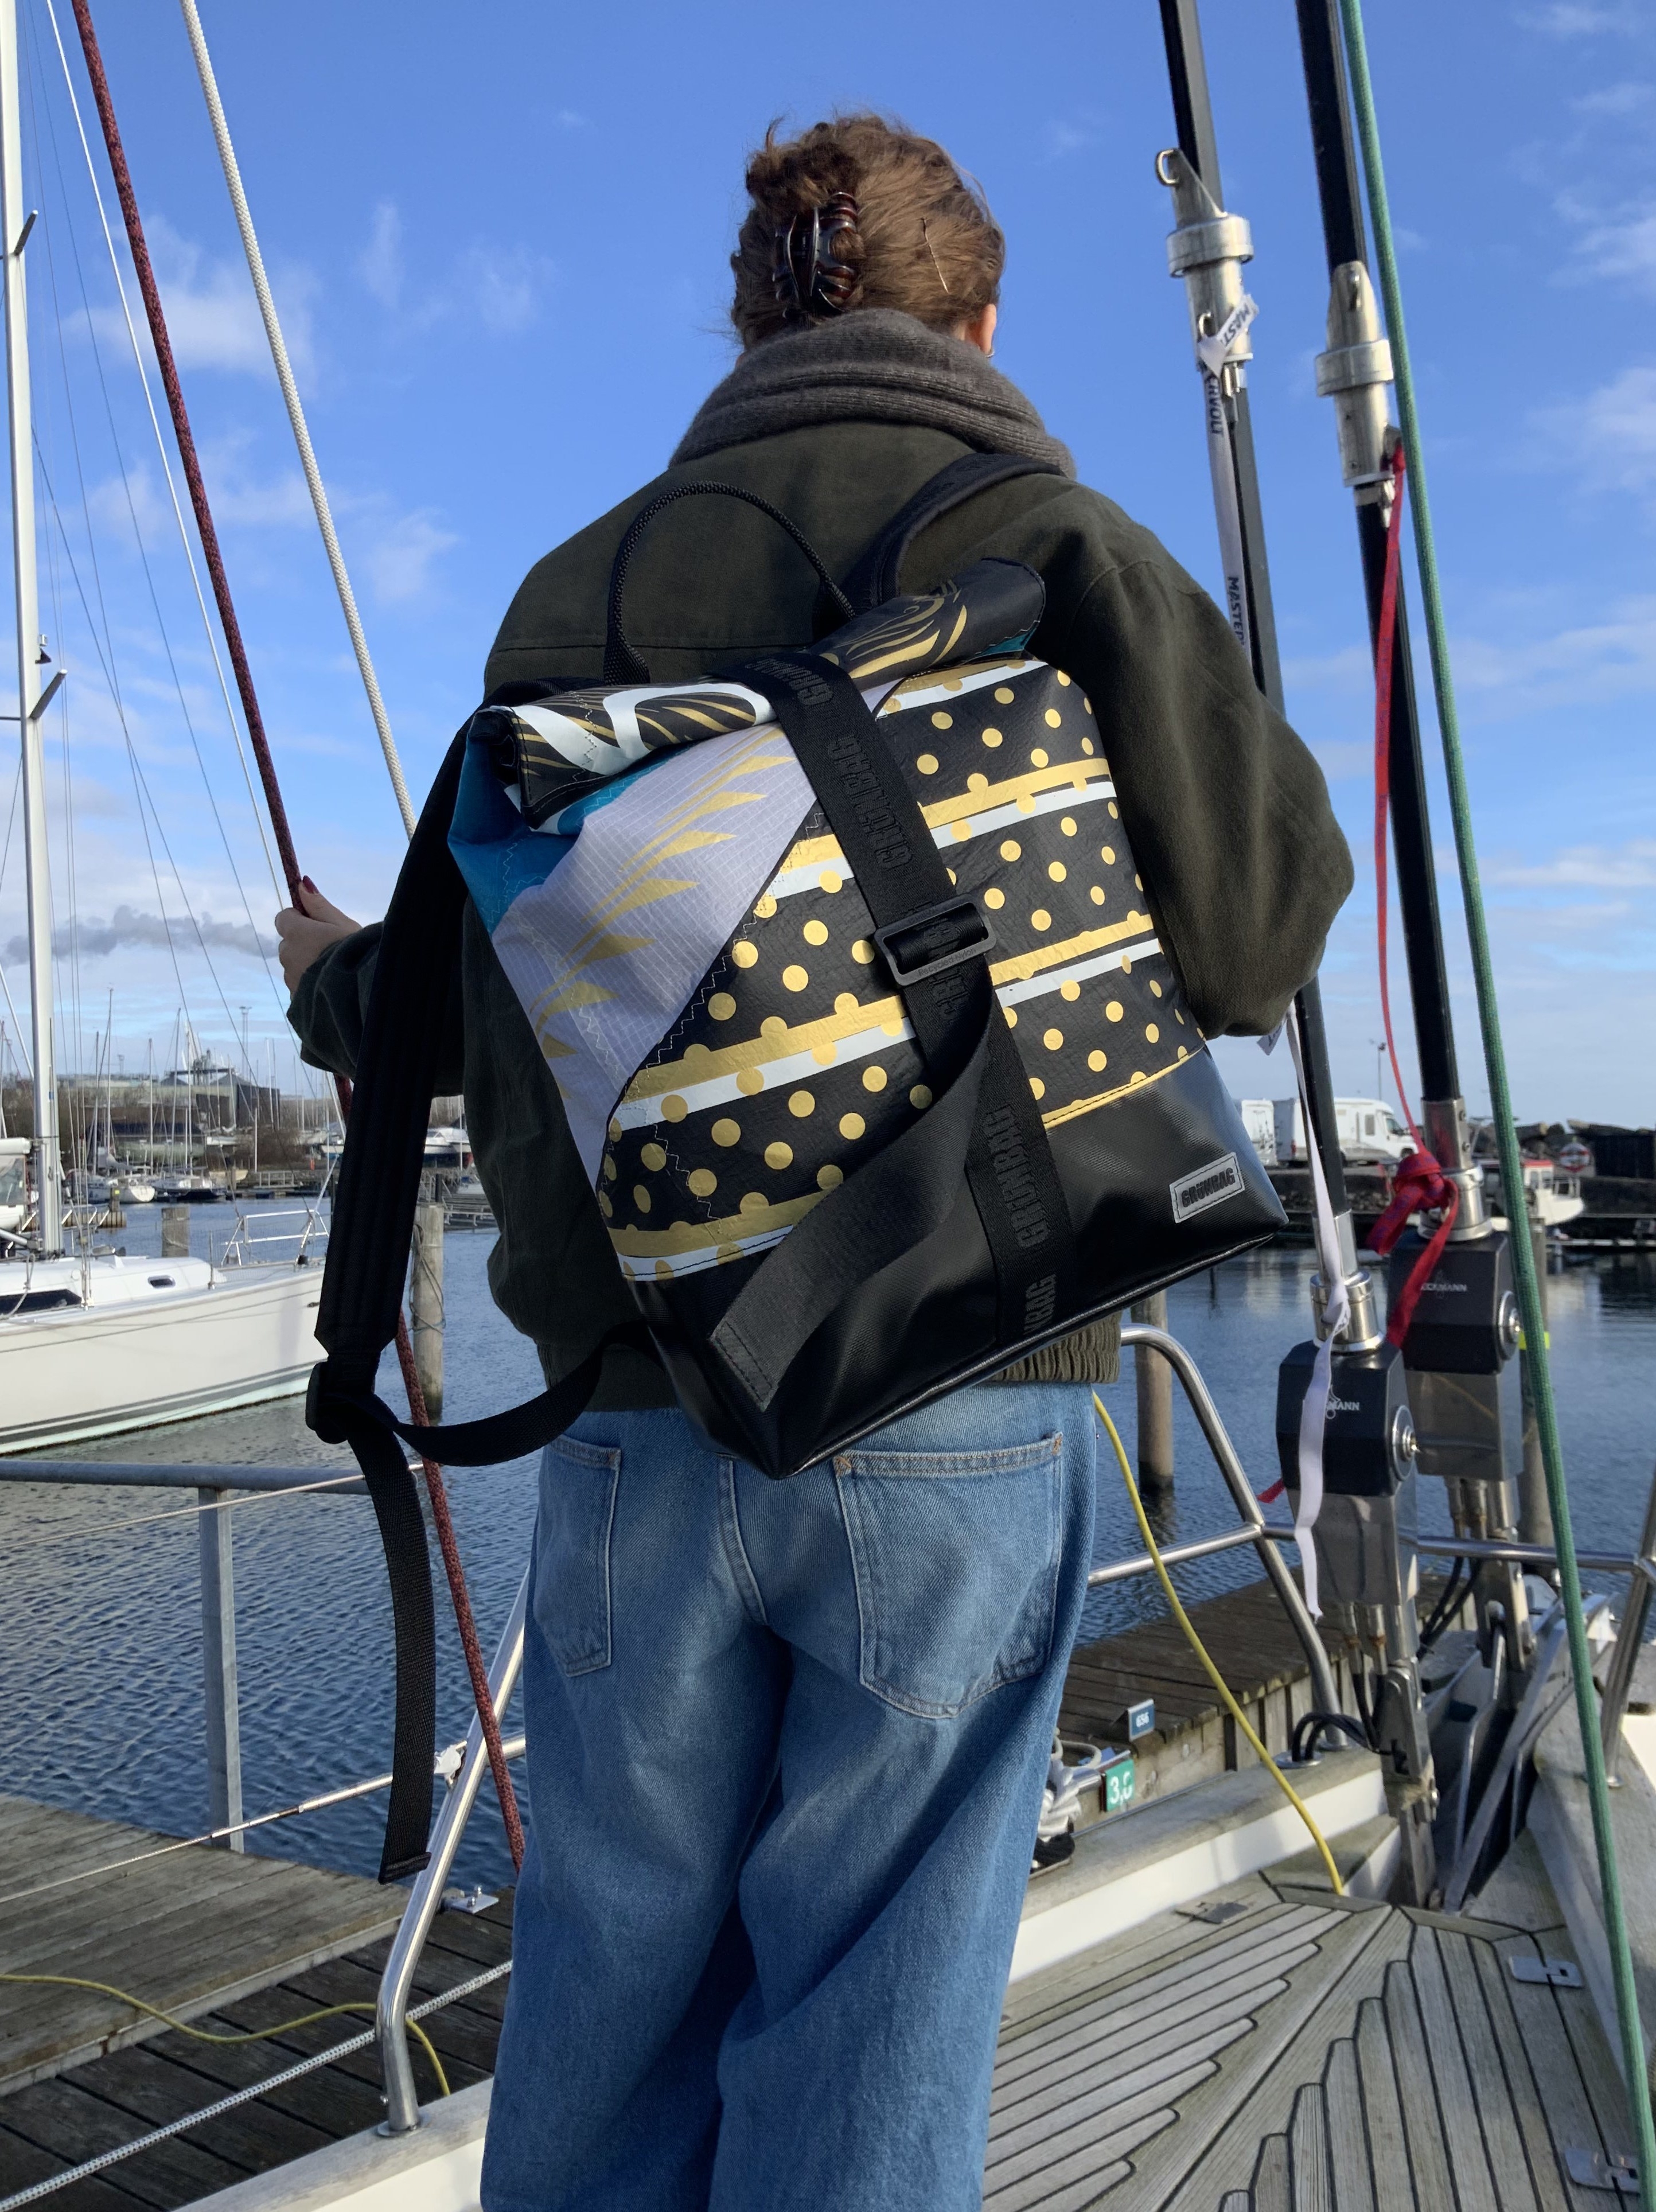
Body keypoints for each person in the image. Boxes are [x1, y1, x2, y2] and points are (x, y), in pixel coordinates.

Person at [280, 114, 1351, 2212]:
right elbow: (1253, 940)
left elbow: (479, 1009)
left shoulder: (577, 584)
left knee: (605, 2007)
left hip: (629, 1411)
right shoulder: (1057, 540)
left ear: (752, 327)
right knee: (874, 2019)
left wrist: (335, 981)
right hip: (966, 1377)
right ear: (982, 321)